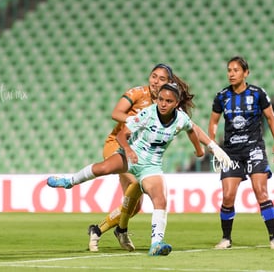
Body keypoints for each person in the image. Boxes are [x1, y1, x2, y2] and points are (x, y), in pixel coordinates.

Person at [47, 82, 205, 256]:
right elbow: (123, 134)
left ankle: (156, 244)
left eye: (168, 101)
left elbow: (191, 130)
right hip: (130, 156)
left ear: (176, 103)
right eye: (160, 99)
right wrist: (129, 151)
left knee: (160, 199)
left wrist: (198, 149)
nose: (163, 104)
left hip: (150, 166)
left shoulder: (181, 118)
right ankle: (70, 181)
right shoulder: (148, 113)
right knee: (103, 168)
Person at [86, 64, 230, 252]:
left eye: (162, 79)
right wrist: (139, 119)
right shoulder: (138, 93)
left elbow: (191, 128)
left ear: (169, 83)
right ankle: (118, 229)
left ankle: (100, 229)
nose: (156, 81)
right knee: (135, 187)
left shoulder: (167, 101)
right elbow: (116, 114)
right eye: (154, 76)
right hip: (119, 145)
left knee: (136, 206)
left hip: (140, 153)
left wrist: (202, 148)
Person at [208, 56, 274, 250]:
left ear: (246, 73)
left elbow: (270, 117)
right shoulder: (222, 96)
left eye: (236, 70)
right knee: (227, 196)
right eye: (229, 70)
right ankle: (226, 239)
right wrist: (213, 143)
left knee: (261, 191)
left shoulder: (258, 93)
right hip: (231, 153)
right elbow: (214, 121)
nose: (231, 74)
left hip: (254, 149)